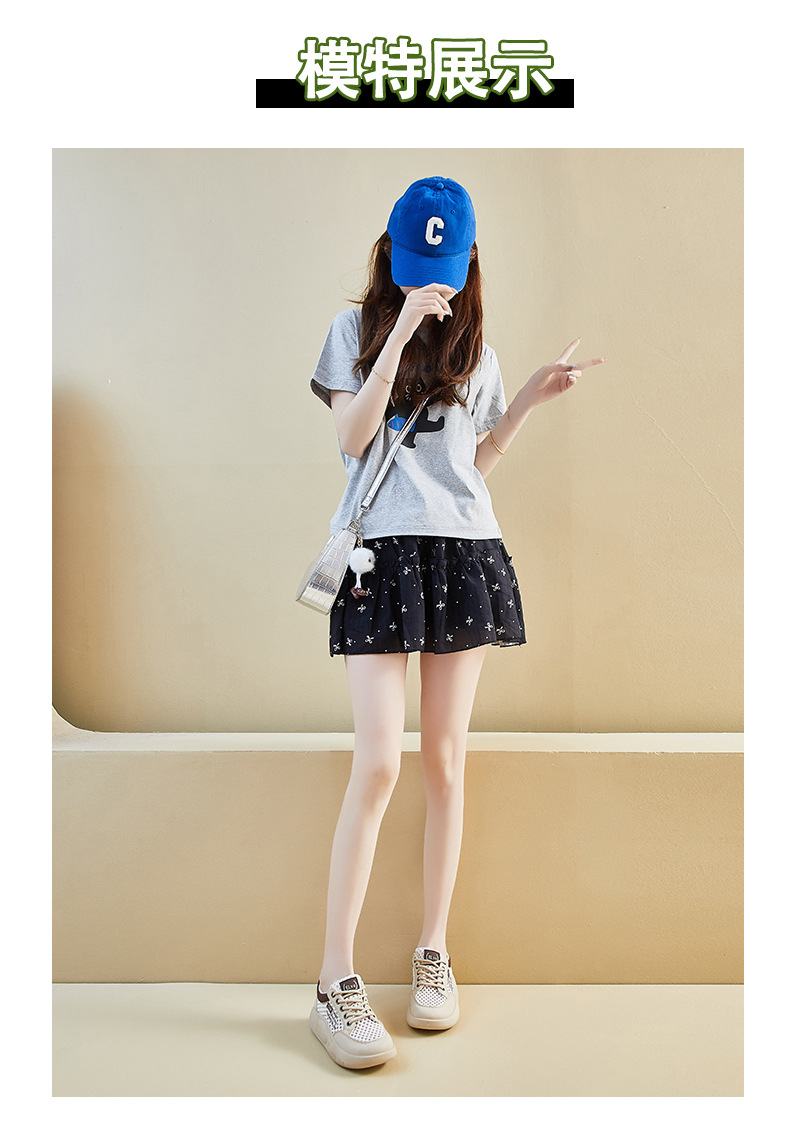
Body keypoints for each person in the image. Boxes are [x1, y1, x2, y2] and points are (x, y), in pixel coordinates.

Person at [307, 176, 604, 1070]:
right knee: (379, 762)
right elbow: (353, 440)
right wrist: (397, 334)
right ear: (390, 254)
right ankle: (332, 980)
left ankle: (433, 950)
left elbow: (470, 465)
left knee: (444, 760)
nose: (427, 284)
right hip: (379, 559)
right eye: (412, 268)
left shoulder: (479, 347)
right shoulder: (354, 331)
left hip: (463, 551)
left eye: (439, 268)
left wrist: (526, 402)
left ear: (468, 258)